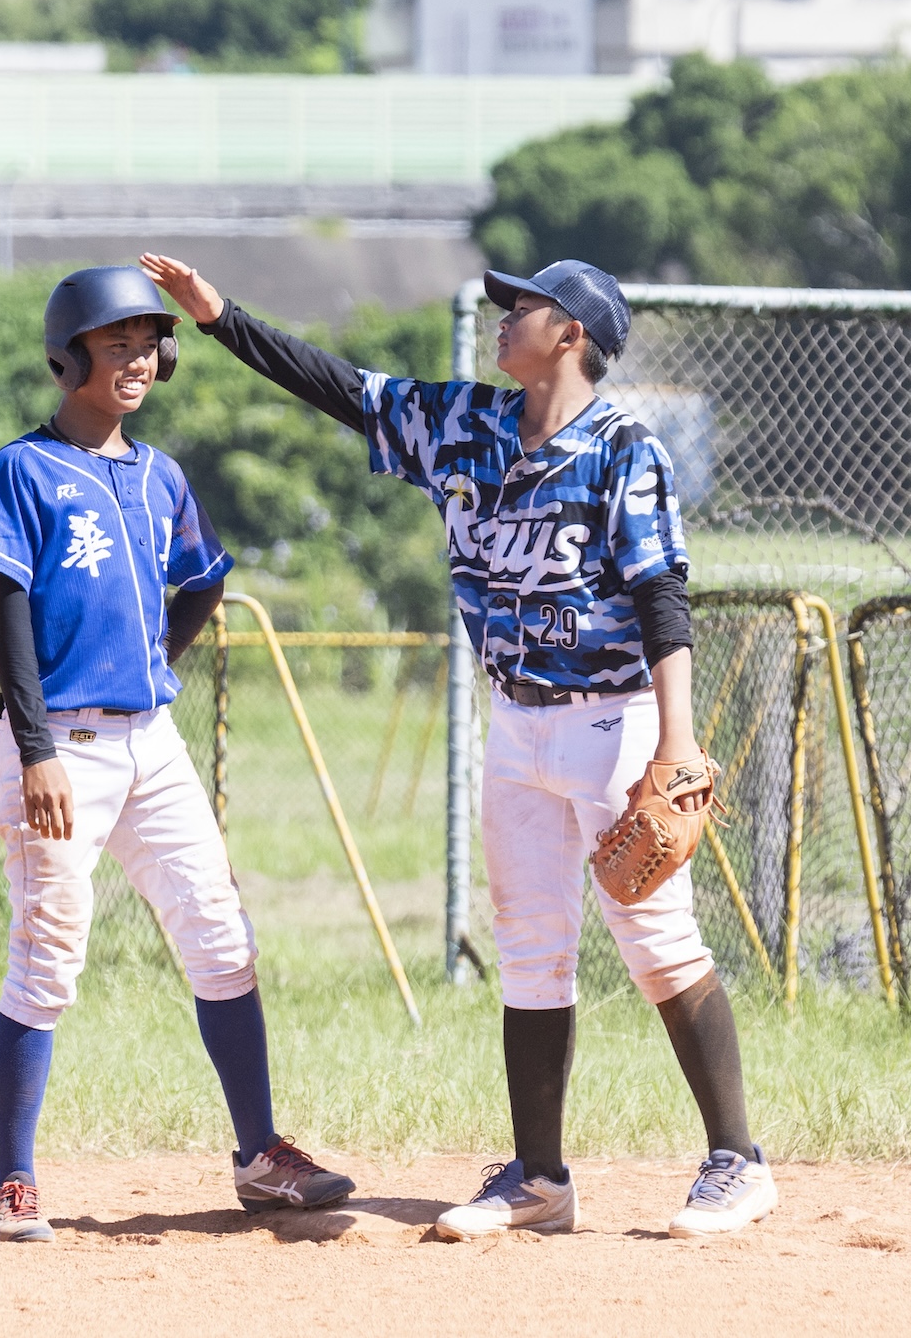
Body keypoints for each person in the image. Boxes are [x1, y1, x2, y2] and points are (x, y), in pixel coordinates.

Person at [139, 252, 774, 1241]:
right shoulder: (466, 424)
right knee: (528, 950)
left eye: (520, 306)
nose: (501, 317)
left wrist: (677, 742)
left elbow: (661, 597)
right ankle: (540, 1179)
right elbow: (340, 389)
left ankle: (737, 1160)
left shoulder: (622, 449)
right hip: (514, 723)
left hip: (614, 723)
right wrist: (218, 318)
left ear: (570, 332)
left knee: (657, 942)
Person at [0, 266, 353, 1243]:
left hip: (150, 740)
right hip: (60, 747)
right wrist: (36, 741)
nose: (136, 359)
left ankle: (260, 1156)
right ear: (70, 355)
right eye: (115, 342)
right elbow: (0, 599)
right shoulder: (25, 468)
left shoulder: (160, 473)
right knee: (48, 955)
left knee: (222, 938)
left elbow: (205, 579)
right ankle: (13, 1180)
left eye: (147, 342)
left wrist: (150, 660)